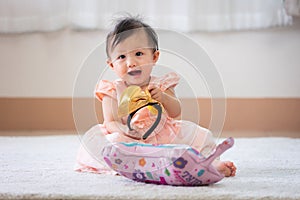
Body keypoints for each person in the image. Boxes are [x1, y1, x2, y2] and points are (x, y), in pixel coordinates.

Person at [75, 16, 236, 177]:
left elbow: (175, 112)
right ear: (111, 65)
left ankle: (209, 163)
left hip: (163, 136)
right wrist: (125, 132)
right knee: (108, 143)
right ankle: (134, 164)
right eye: (121, 57)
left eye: (138, 53)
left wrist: (164, 98)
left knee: (200, 135)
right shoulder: (112, 90)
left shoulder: (161, 84)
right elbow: (110, 122)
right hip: (129, 139)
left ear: (154, 57)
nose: (131, 62)